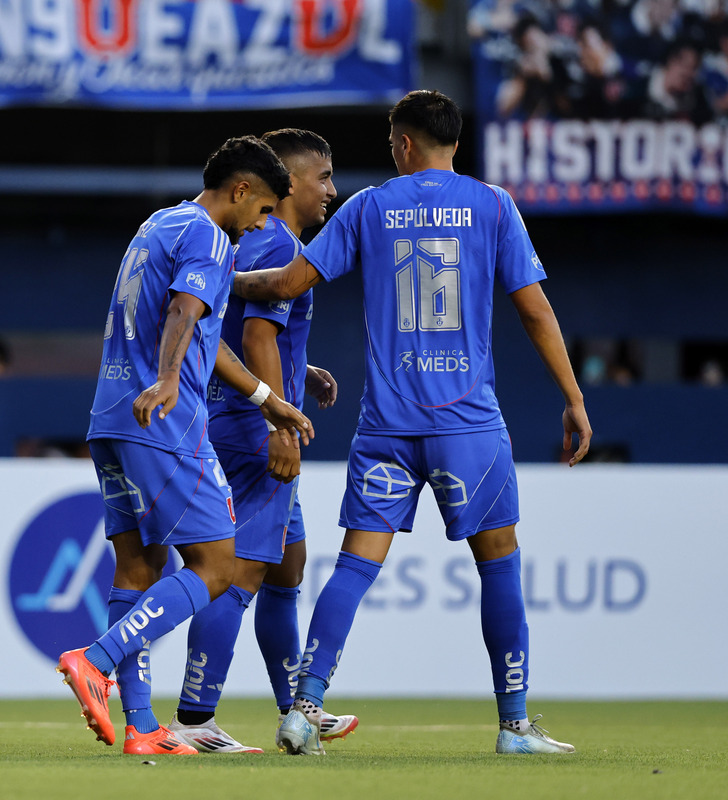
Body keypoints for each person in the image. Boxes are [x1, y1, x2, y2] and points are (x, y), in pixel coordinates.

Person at [232, 90, 592, 756]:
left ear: (402, 144)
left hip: (388, 428)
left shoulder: (369, 207)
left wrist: (219, 282)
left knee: (353, 569)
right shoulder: (494, 206)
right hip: (469, 427)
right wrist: (572, 396)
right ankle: (514, 726)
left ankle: (304, 708)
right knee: (500, 569)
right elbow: (535, 311)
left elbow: (284, 286)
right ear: (454, 142)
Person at [56, 136, 315, 756]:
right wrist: (170, 378)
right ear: (242, 190)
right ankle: (95, 659)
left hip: (111, 417)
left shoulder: (157, 225)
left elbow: (202, 330)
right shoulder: (209, 236)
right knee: (218, 567)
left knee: (138, 569)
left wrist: (265, 399)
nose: (266, 223)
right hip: (165, 421)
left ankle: (143, 726)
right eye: (265, 210)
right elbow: (182, 312)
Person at [166, 128, 356, 754]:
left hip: (240, 420)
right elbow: (257, 340)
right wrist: (280, 422)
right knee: (239, 573)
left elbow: (249, 325)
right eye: (323, 176)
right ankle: (195, 721)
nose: (331, 189)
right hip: (256, 433)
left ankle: (296, 707)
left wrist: (306, 371)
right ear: (291, 182)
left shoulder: (260, 241)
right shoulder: (274, 240)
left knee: (285, 568)